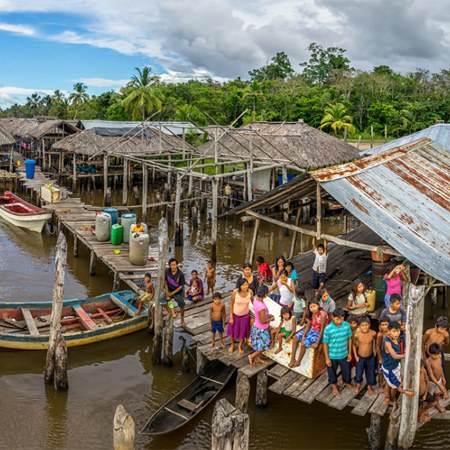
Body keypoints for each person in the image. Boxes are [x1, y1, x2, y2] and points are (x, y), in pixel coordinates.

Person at [381, 321, 414, 405]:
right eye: (393, 331)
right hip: (390, 368)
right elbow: (395, 356)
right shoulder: (387, 343)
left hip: (394, 365)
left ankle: (387, 397)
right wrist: (406, 355)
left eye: (398, 331)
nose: (396, 333)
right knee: (395, 386)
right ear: (388, 331)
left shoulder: (396, 338)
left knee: (390, 383)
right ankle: (392, 399)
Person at [323, 308, 353, 397]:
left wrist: (350, 353)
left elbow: (349, 339)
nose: (339, 321)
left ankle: (347, 382)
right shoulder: (328, 329)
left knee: (346, 370)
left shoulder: (347, 325)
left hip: (344, 354)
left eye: (341, 319)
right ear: (332, 317)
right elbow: (325, 344)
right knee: (331, 371)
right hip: (332, 355)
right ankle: (333, 385)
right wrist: (327, 358)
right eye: (337, 319)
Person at [289, 300, 328, 368]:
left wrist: (317, 342)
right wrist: (304, 335)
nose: (313, 308)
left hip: (319, 333)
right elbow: (309, 325)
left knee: (304, 343)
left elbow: (322, 329)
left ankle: (298, 361)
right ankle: (293, 358)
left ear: (318, 305)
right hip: (312, 329)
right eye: (311, 307)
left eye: (314, 306)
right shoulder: (311, 313)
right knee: (295, 337)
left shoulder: (322, 314)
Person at [249, 285, 274, 365]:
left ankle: (257, 357)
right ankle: (252, 356)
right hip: (261, 329)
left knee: (259, 345)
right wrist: (271, 319)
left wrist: (267, 314)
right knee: (265, 345)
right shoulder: (261, 306)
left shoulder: (256, 300)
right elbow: (263, 321)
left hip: (257, 325)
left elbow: (260, 315)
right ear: (265, 294)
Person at [228, 278, 253, 354]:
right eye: (243, 285)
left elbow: (253, 302)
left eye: (246, 284)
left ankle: (240, 345)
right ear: (239, 286)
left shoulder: (250, 292)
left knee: (242, 332)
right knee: (232, 331)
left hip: (245, 316)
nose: (245, 286)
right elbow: (231, 304)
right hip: (235, 315)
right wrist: (231, 316)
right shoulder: (235, 292)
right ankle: (232, 345)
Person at [353, 316, 377, 395]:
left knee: (370, 371)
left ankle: (369, 386)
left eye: (366, 325)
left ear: (369, 324)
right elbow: (353, 345)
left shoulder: (373, 333)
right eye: (362, 325)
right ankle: (358, 384)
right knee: (359, 372)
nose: (364, 327)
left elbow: (376, 342)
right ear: (359, 326)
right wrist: (356, 356)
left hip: (370, 357)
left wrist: (375, 350)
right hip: (360, 357)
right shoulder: (357, 335)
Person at [160, 258, 186, 326]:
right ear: (169, 265)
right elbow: (165, 283)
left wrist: (172, 293)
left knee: (181, 304)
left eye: (175, 265)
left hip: (178, 292)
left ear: (177, 265)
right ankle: (169, 311)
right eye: (172, 265)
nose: (173, 266)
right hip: (169, 290)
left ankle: (182, 319)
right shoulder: (167, 272)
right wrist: (167, 293)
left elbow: (181, 286)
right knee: (161, 298)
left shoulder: (181, 274)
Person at [425, 343, 448, 412]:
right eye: (434, 355)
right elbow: (431, 375)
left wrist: (443, 377)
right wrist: (439, 385)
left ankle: (437, 404)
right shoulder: (428, 361)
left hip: (439, 379)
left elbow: (441, 367)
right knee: (429, 395)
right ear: (429, 353)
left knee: (437, 394)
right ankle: (426, 406)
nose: (436, 356)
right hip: (432, 382)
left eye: (437, 354)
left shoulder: (439, 356)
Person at [418, 359, 437, 423]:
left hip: (424, 392)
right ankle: (421, 414)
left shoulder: (423, 371)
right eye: (420, 367)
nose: (422, 368)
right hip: (416, 395)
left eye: (423, 367)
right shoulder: (413, 374)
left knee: (434, 403)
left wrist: (425, 394)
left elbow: (427, 382)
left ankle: (423, 410)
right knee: (415, 408)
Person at [376, 316, 391, 393]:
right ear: (380, 326)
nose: (384, 326)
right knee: (380, 371)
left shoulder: (391, 333)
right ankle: (380, 385)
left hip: (390, 355)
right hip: (382, 355)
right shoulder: (380, 335)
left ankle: (389, 383)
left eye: (386, 324)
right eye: (382, 325)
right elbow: (378, 347)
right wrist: (380, 358)